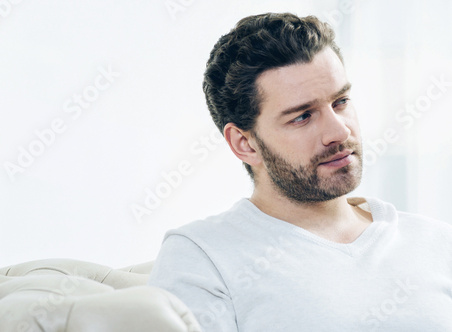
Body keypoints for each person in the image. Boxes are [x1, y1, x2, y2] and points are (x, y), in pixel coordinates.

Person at [148, 12, 452, 331]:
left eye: (341, 101)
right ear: (245, 144)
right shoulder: (202, 257)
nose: (339, 131)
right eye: (303, 116)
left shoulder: (437, 242)